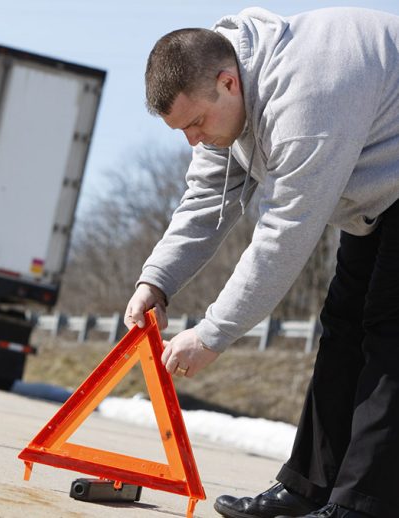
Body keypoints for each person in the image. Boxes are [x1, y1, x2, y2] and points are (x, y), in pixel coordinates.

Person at [123, 7, 399, 518]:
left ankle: (363, 505)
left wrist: (212, 334)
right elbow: (207, 200)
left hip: (388, 184)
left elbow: (284, 236)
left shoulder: (307, 96)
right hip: (380, 194)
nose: (193, 140)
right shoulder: (223, 95)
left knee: (388, 334)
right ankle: (306, 489)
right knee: (342, 327)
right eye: (183, 129)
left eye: (197, 123)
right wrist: (156, 282)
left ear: (228, 83)